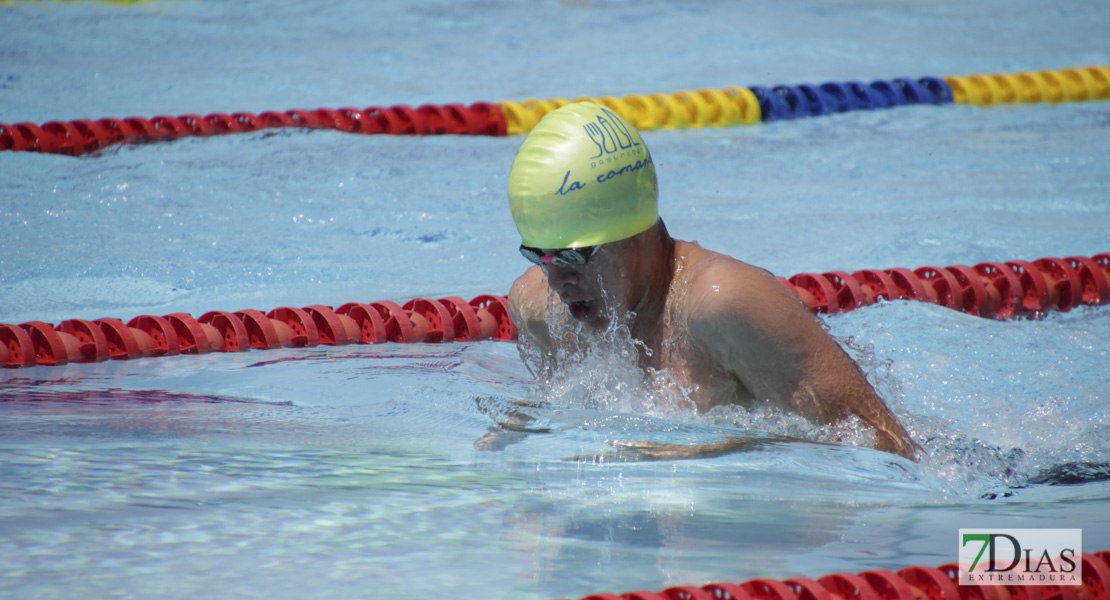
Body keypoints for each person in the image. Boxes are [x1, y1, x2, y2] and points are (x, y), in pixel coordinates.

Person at [504, 101, 917, 461]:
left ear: (635, 228)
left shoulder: (723, 306)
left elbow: (886, 446)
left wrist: (724, 448)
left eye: (576, 255)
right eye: (540, 256)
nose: (558, 280)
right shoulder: (538, 311)